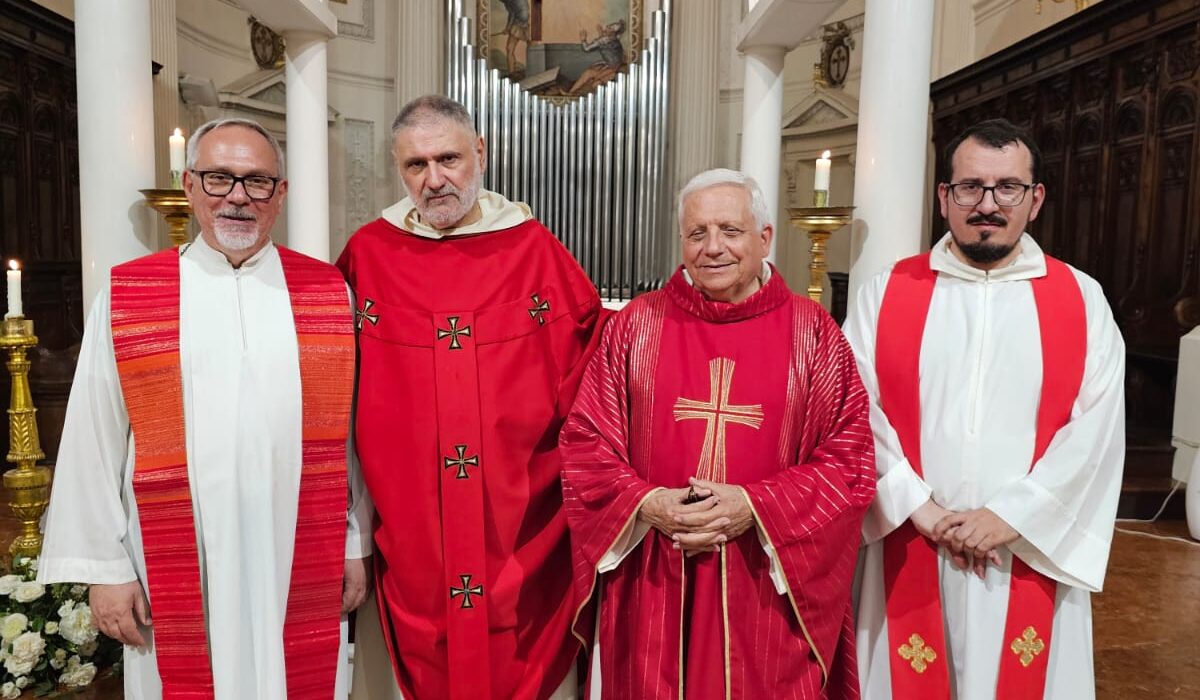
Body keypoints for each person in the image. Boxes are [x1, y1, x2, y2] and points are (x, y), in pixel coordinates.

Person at [37, 117, 373, 699]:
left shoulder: (326, 292)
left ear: (281, 194)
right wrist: (106, 570)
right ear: (189, 185)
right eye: (219, 178)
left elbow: (350, 437)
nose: (238, 196)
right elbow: (93, 438)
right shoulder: (130, 295)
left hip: (297, 554)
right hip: (166, 565)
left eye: (257, 181)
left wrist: (352, 542)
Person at [559, 169, 876, 697]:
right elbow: (585, 445)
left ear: (764, 238)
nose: (712, 248)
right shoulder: (634, 327)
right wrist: (648, 503)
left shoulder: (814, 334)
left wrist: (755, 505)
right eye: (696, 233)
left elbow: (849, 461)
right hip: (653, 576)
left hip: (764, 586)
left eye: (730, 230)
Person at [846, 118, 1125, 700]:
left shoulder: (1081, 299)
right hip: (909, 539)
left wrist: (1011, 516)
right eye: (971, 187)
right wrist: (916, 506)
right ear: (944, 197)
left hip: (1024, 547)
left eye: (1008, 188)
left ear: (1035, 199)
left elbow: (1096, 432)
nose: (988, 204)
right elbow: (852, 410)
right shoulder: (885, 292)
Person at [338, 95, 605, 700]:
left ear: (480, 153)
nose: (434, 180)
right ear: (398, 168)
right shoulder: (369, 254)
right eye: (416, 165)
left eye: (449, 159)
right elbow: (334, 388)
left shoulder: (535, 251)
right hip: (409, 526)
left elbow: (595, 369)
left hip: (516, 523)